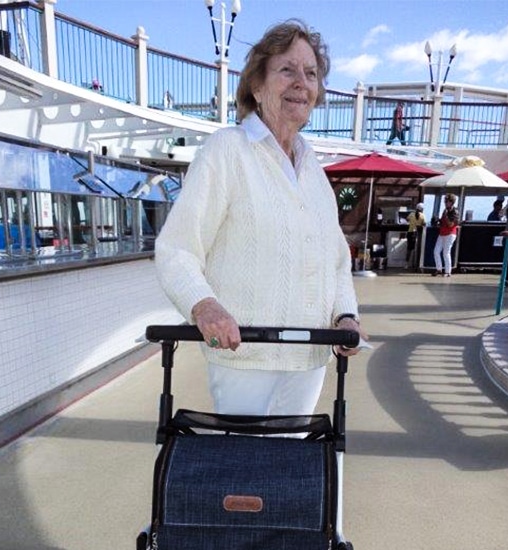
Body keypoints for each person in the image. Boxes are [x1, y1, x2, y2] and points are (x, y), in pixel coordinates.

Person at [155, 19, 367, 418]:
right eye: (287, 70)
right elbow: (177, 248)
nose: (301, 82)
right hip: (246, 357)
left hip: (308, 358)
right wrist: (204, 306)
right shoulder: (227, 151)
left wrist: (346, 316)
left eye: (310, 73)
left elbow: (336, 260)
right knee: (244, 470)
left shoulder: (314, 170)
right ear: (257, 86)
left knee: (289, 472)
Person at [432, 193, 460, 277]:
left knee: (446, 253)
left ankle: (448, 272)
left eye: (447, 201)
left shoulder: (455, 211)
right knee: (436, 251)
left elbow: (451, 224)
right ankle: (439, 269)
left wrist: (446, 215)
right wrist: (438, 220)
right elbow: (442, 222)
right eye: (445, 201)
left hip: (450, 234)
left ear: (451, 202)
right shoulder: (445, 210)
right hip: (442, 233)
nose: (445, 203)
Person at [406, 202, 426, 269]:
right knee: (416, 249)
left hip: (410, 233)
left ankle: (406, 264)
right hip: (418, 234)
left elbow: (407, 219)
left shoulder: (411, 214)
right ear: (422, 209)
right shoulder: (422, 216)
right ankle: (414, 264)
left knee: (409, 249)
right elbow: (424, 224)